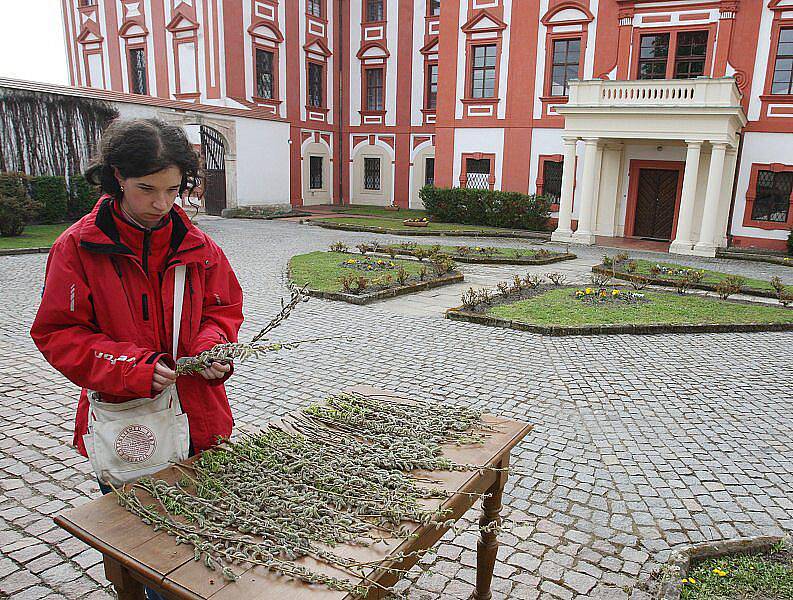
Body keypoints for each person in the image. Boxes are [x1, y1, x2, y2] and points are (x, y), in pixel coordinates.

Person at [30, 118, 244, 600]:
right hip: (130, 425)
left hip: (201, 422)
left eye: (173, 189)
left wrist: (212, 347)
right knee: (153, 560)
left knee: (206, 552)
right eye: (147, 188)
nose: (162, 203)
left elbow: (224, 307)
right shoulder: (78, 248)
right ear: (116, 177)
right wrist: (132, 367)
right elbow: (58, 333)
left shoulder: (201, 245)